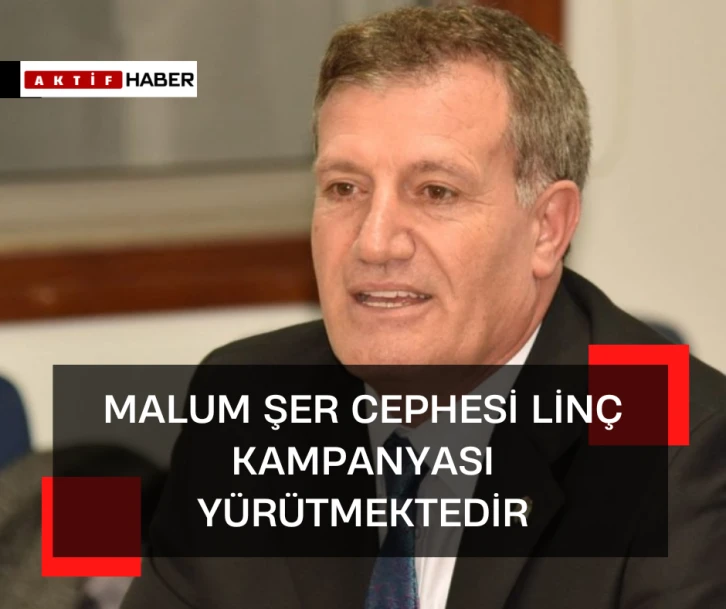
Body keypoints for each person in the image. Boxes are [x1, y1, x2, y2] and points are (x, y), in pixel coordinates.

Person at [121, 5, 726, 609]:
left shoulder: (679, 450)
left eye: (436, 191)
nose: (374, 242)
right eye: (344, 188)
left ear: (546, 228)